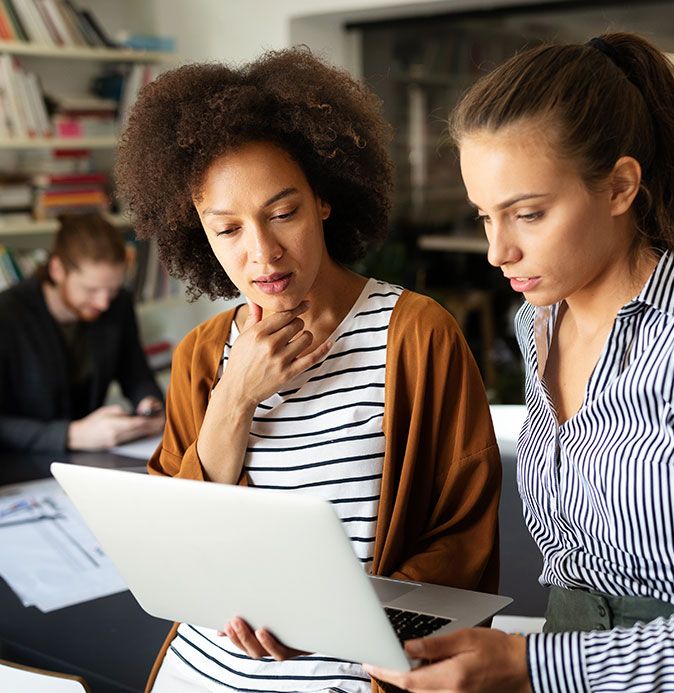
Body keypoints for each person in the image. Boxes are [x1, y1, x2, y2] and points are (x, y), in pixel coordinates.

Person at [367, 33, 674, 693]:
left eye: (527, 214)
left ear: (619, 186)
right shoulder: (538, 322)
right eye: (484, 216)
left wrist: (530, 665)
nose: (498, 250)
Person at [114, 48, 501, 693]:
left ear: (324, 198)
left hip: (350, 672)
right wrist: (233, 402)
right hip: (202, 668)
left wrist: (329, 619)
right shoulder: (203, 355)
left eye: (283, 212)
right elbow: (173, 551)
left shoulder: (416, 335)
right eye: (227, 228)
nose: (261, 252)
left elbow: (463, 540)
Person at [0, 213, 164, 453]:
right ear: (57, 270)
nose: (103, 303)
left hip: (93, 456)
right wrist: (70, 435)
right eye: (91, 289)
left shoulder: (118, 305)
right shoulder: (7, 314)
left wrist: (149, 404)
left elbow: (136, 374)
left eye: (112, 290)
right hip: (21, 462)